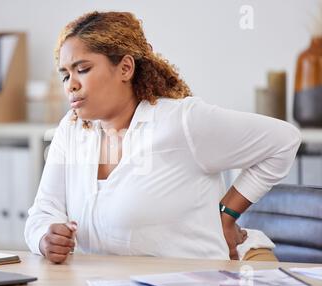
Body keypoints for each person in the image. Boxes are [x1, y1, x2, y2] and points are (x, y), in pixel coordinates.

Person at [24, 11, 301, 264]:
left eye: (82, 69)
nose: (71, 84)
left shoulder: (181, 122)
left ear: (125, 68)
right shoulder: (70, 130)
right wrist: (45, 238)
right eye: (65, 75)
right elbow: (43, 211)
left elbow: (283, 140)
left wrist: (227, 215)